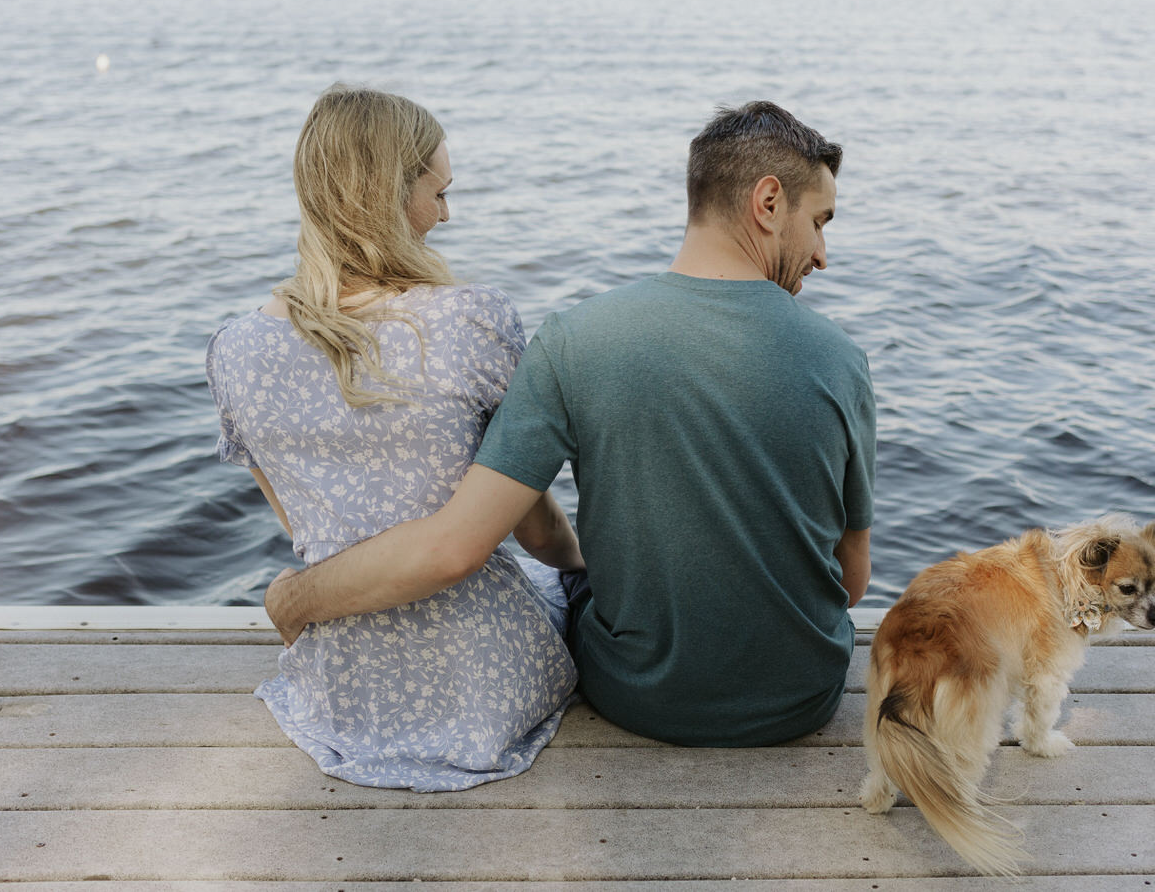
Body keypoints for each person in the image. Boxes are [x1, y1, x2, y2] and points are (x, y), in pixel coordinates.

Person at [265, 101, 876, 747]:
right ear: (769, 202)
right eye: (820, 222)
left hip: (638, 696)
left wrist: (297, 598)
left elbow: (461, 541)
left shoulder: (571, 340)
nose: (823, 254)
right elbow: (853, 582)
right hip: (802, 697)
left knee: (569, 577)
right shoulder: (841, 359)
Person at [206, 84, 581, 790]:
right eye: (438, 191)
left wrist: (292, 599)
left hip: (342, 695)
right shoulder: (473, 321)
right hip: (486, 691)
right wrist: (581, 562)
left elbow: (315, 539)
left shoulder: (235, 351)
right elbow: (534, 528)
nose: (446, 212)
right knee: (562, 583)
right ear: (388, 194)